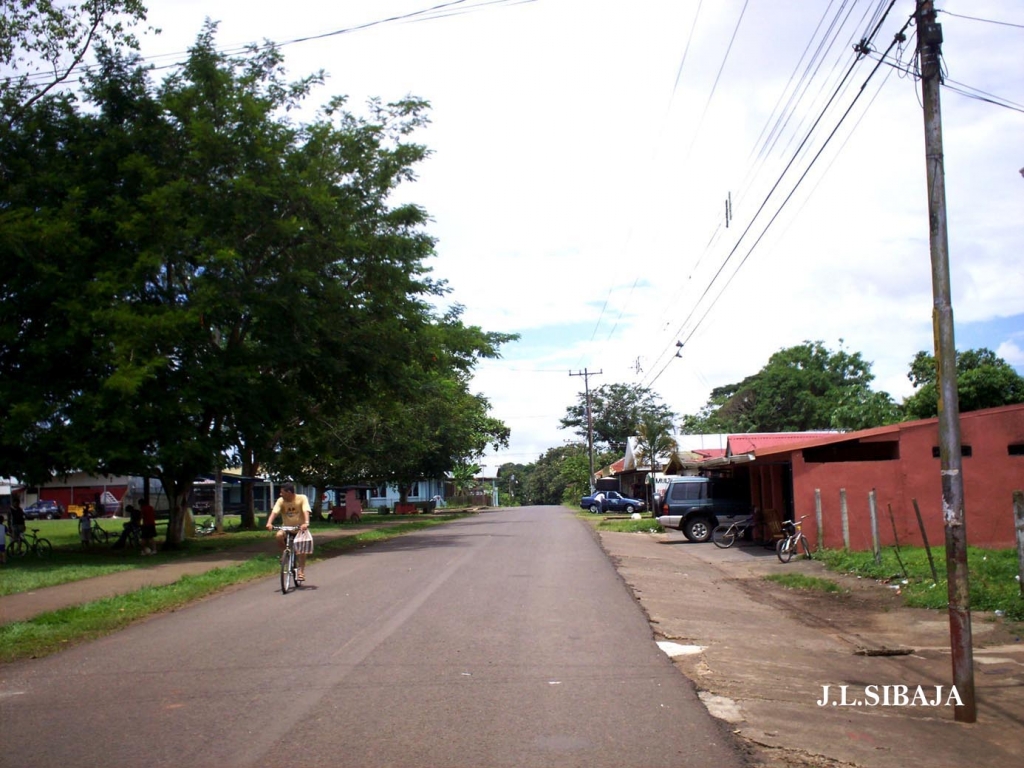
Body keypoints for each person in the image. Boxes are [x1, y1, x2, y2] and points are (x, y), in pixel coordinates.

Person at [265, 483, 312, 581]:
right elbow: (274, 512)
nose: (281, 494)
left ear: (289, 492)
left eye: (282, 493)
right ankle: (284, 554)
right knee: (278, 535)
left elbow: (306, 510)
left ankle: (301, 572)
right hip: (286, 528)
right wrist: (269, 523)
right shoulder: (281, 501)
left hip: (300, 529)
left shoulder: (302, 498)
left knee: (301, 550)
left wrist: (306, 523)